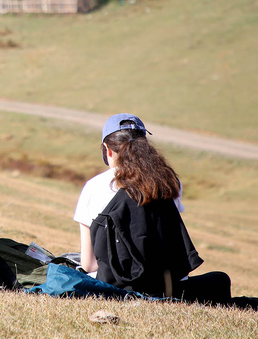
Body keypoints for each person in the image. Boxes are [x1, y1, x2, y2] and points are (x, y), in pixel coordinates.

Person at [74, 113, 232, 304]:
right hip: (165, 287)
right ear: (145, 146)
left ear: (107, 150)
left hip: (113, 285)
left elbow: (89, 264)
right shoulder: (169, 182)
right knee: (220, 279)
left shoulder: (93, 186)